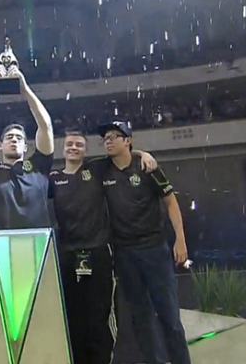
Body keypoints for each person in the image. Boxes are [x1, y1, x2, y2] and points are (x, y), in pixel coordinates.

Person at [49, 130, 158, 364]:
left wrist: (143, 154)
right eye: (70, 144)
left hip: (98, 254)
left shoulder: (96, 169)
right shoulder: (53, 178)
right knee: (74, 318)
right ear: (63, 148)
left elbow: (122, 153)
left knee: (99, 318)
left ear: (86, 150)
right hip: (67, 257)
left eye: (79, 144)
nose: (74, 147)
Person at [97, 121, 191, 364]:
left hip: (154, 249)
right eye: (105, 138)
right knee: (141, 319)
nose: (108, 141)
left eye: (114, 136)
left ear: (127, 140)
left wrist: (180, 239)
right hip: (124, 254)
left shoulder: (147, 168)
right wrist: (141, 151)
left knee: (169, 316)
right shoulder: (101, 169)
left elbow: (170, 202)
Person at [0, 62, 54, 230]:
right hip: (2, 242)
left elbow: (46, 126)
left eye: (19, 138)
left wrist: (24, 89)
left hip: (39, 240)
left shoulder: (39, 166)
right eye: (9, 137)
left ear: (26, 147)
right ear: (0, 146)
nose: (14, 139)